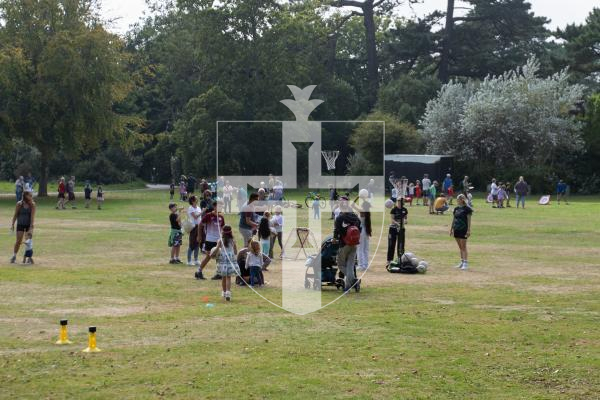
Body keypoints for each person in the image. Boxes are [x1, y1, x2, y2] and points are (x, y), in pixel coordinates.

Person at [333, 196, 362, 292]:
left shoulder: (340, 218)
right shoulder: (354, 216)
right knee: (350, 266)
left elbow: (337, 231)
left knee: (340, 264)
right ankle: (349, 286)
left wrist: (335, 239)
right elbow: (360, 228)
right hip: (354, 244)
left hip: (344, 244)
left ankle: (353, 282)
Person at [197, 201, 225, 280]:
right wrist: (199, 236)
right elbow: (200, 225)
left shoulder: (221, 217)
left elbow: (222, 228)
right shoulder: (209, 216)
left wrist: (224, 238)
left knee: (219, 256)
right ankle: (198, 271)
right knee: (209, 256)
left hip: (218, 240)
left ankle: (218, 273)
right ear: (214, 207)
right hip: (209, 240)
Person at [10, 191, 36, 264]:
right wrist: (12, 224)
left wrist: (31, 227)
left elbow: (32, 216)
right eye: (30, 195)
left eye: (31, 195)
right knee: (18, 241)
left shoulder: (32, 205)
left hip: (28, 225)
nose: (31, 197)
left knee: (28, 242)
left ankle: (28, 258)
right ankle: (14, 256)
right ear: (25, 196)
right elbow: (15, 214)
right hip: (20, 224)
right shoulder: (19, 204)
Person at [214, 225, 239, 301]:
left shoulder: (220, 240)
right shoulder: (233, 240)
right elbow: (235, 251)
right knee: (228, 277)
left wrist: (213, 254)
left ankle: (224, 292)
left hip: (223, 259)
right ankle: (228, 292)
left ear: (222, 232)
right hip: (230, 259)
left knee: (223, 277)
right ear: (231, 232)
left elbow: (217, 249)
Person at [450, 194, 472, 270]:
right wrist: (451, 229)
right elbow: (454, 219)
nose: (457, 200)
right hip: (456, 229)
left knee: (463, 247)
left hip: (463, 229)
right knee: (460, 247)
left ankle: (465, 263)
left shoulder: (467, 209)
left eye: (458, 199)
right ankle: (462, 262)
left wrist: (468, 230)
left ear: (462, 200)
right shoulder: (456, 209)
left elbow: (469, 220)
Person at [387, 198, 408, 266]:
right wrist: (398, 223)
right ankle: (389, 260)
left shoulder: (405, 210)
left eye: (401, 202)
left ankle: (400, 259)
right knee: (391, 244)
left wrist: (404, 222)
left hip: (401, 229)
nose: (399, 203)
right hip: (393, 228)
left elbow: (406, 219)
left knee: (401, 244)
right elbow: (392, 220)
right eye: (398, 202)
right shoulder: (393, 210)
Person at [355, 200, 372, 272]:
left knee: (360, 249)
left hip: (361, 231)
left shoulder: (362, 211)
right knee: (365, 249)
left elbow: (353, 205)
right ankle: (365, 265)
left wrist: (356, 199)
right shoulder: (367, 212)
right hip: (366, 231)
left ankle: (361, 265)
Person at [186, 195, 202, 266]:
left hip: (199, 226)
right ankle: (189, 260)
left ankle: (196, 259)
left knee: (198, 243)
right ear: (192, 201)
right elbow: (195, 217)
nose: (197, 199)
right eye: (196, 198)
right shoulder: (191, 208)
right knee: (192, 243)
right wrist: (202, 212)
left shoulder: (198, 207)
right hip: (193, 227)